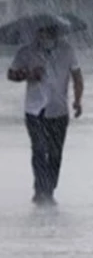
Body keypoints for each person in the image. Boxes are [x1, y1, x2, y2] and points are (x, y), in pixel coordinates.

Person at [7, 25, 84, 206]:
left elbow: (77, 76)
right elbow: (11, 74)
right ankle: (41, 190)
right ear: (37, 33)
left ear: (55, 33)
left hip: (59, 109)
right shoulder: (26, 52)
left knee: (56, 153)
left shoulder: (67, 51)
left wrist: (78, 101)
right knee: (39, 149)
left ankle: (49, 189)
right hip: (34, 109)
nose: (45, 36)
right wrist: (28, 74)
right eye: (41, 32)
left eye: (49, 33)